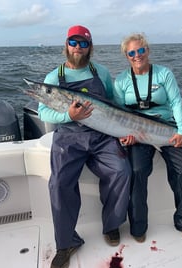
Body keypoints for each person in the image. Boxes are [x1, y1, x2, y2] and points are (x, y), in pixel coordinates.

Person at [38, 25, 131, 268]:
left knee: (121, 170)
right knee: (58, 183)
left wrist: (122, 131)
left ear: (90, 47)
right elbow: (43, 111)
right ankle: (66, 242)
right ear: (66, 45)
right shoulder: (52, 78)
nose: (77, 47)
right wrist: (69, 116)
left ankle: (111, 225)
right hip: (68, 138)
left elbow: (114, 103)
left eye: (83, 43)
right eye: (73, 42)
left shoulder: (100, 71)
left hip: (102, 136)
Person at [114, 33, 182, 243]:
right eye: (131, 52)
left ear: (148, 50)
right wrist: (127, 136)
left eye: (141, 50)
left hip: (166, 128)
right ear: (126, 56)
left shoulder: (164, 74)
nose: (137, 55)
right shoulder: (122, 80)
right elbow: (117, 113)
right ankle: (138, 226)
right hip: (137, 133)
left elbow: (176, 102)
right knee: (136, 171)